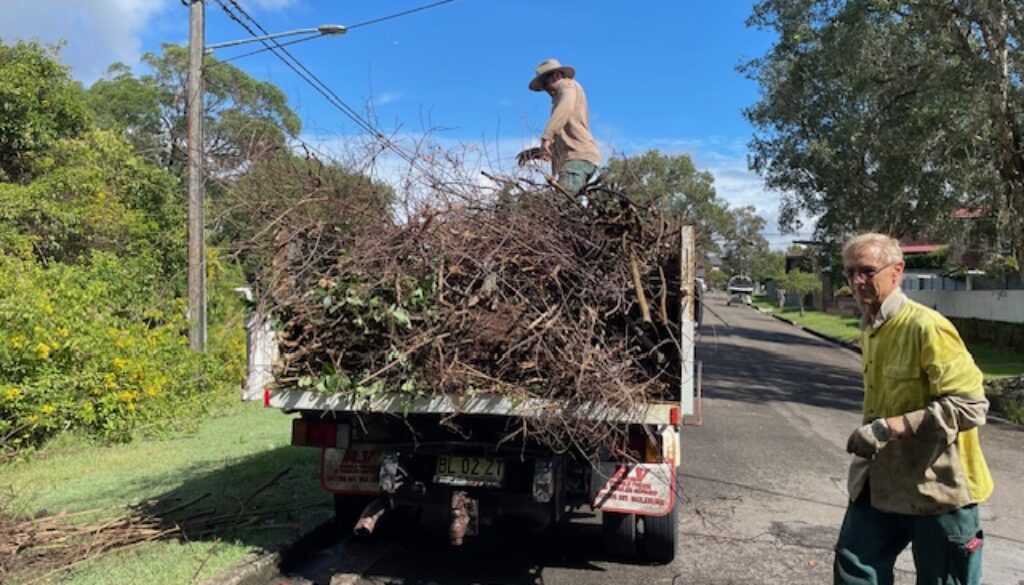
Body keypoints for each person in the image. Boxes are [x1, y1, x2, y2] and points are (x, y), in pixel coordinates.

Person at [834, 233, 994, 585]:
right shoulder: (871, 327)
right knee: (853, 571)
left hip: (939, 491)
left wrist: (886, 428)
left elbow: (970, 406)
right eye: (850, 272)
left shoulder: (926, 326)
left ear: (897, 270)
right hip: (879, 483)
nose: (857, 281)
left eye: (867, 271)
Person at [517, 58, 600, 195]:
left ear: (556, 75)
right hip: (580, 158)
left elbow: (565, 108)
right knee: (574, 209)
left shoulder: (567, 85)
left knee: (563, 205)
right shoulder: (560, 100)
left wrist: (546, 137)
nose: (545, 89)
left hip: (577, 158)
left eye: (545, 83)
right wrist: (538, 152)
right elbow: (565, 139)